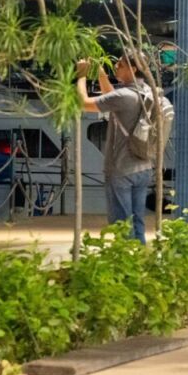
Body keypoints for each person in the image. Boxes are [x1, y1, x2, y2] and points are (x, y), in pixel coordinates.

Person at [76, 53, 154, 242]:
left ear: (133, 69)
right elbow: (113, 99)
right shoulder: (147, 92)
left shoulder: (124, 96)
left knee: (122, 226)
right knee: (138, 225)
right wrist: (102, 75)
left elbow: (83, 103)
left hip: (121, 169)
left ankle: (126, 264)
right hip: (143, 167)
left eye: (120, 64)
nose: (116, 66)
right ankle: (140, 263)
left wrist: (81, 75)